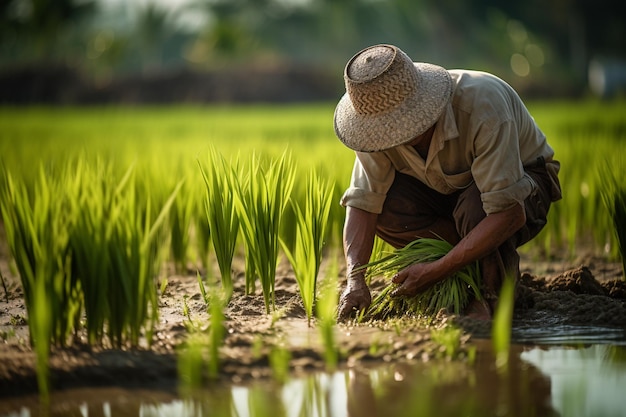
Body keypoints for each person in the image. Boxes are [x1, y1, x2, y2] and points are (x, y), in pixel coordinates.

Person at [334, 44, 562, 320]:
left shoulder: (482, 106)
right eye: (385, 130)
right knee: (389, 209)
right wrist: (355, 280)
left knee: (476, 207)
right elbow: (363, 203)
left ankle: (492, 296)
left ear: (423, 105)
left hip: (523, 188)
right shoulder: (373, 130)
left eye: (400, 125)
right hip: (443, 194)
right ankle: (464, 278)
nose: (392, 136)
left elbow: (509, 213)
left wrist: (436, 270)